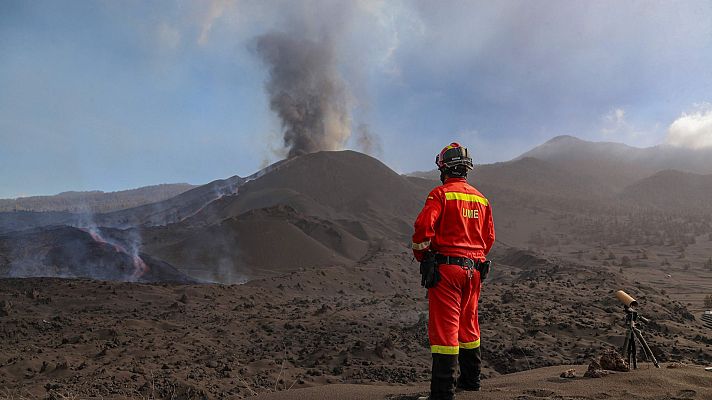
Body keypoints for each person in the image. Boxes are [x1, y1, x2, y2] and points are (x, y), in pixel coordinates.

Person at [412, 142, 495, 400]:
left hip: (447, 270)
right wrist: (474, 257)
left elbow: (422, 230)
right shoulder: (481, 199)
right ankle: (471, 382)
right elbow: (488, 238)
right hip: (475, 271)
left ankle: (443, 393)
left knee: (444, 329)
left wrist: (423, 256)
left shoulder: (440, 195)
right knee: (469, 324)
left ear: (443, 168)